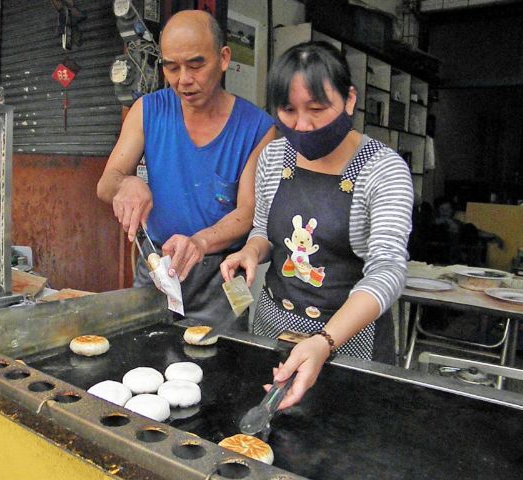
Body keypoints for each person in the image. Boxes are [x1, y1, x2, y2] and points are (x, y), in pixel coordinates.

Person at [220, 41, 413, 409]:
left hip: (348, 338)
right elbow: (263, 228)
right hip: (271, 326)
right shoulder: (275, 156)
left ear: (349, 99)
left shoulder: (383, 170)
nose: (302, 126)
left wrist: (325, 341)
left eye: (317, 109)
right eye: (288, 111)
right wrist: (250, 251)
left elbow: (388, 269)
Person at [97, 10, 276, 323]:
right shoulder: (147, 111)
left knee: (222, 364)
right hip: (157, 265)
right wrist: (126, 184)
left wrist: (199, 242)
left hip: (224, 273)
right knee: (144, 357)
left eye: (196, 65)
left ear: (223, 58)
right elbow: (106, 184)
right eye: (171, 67)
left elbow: (248, 212)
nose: (183, 80)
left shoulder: (257, 128)